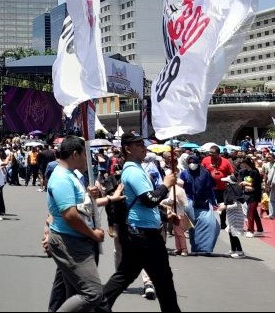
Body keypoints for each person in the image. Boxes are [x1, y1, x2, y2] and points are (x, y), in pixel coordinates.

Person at [103, 132, 181, 312]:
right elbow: (149, 200)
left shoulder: (138, 169)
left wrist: (164, 215)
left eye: (142, 144)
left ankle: (99, 306)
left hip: (139, 232)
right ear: (127, 149)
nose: (143, 148)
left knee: (125, 275)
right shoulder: (133, 171)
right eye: (138, 145)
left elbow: (143, 204)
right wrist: (166, 184)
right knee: (163, 280)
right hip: (143, 235)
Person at [44, 136, 109, 312]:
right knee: (93, 293)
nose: (86, 158)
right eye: (83, 154)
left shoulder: (70, 175)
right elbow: (70, 215)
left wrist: (89, 194)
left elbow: (78, 206)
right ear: (74, 154)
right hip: (70, 241)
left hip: (75, 239)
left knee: (73, 292)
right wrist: (93, 234)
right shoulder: (61, 178)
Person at [181, 154, 219, 254]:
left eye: (194, 162)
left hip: (204, 202)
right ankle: (195, 247)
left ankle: (206, 248)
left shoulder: (205, 173)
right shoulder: (184, 173)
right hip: (189, 202)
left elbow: (209, 188)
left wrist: (214, 202)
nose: (192, 164)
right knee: (193, 227)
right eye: (190, 162)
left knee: (211, 225)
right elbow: (181, 189)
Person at [201, 145, 234, 229]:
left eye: (213, 153)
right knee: (209, 206)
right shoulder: (205, 160)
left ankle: (223, 223)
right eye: (209, 152)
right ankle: (209, 223)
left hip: (223, 188)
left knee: (222, 206)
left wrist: (230, 182)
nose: (210, 154)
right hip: (210, 189)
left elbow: (232, 173)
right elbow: (201, 172)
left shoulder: (226, 161)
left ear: (218, 154)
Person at [219, 175, 247, 258]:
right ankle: (233, 249)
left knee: (234, 234)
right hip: (232, 215)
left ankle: (240, 251)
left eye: (226, 183)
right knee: (231, 232)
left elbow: (235, 204)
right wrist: (222, 205)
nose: (225, 184)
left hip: (236, 216)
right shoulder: (231, 191)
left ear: (229, 184)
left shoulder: (234, 192)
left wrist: (225, 207)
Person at [239, 157, 264, 237]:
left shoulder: (255, 172)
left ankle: (250, 230)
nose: (242, 166)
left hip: (254, 195)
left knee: (250, 212)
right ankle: (260, 229)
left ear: (247, 164)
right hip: (246, 194)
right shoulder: (244, 172)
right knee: (254, 213)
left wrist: (245, 183)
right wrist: (244, 184)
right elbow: (241, 182)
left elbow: (255, 185)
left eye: (244, 164)